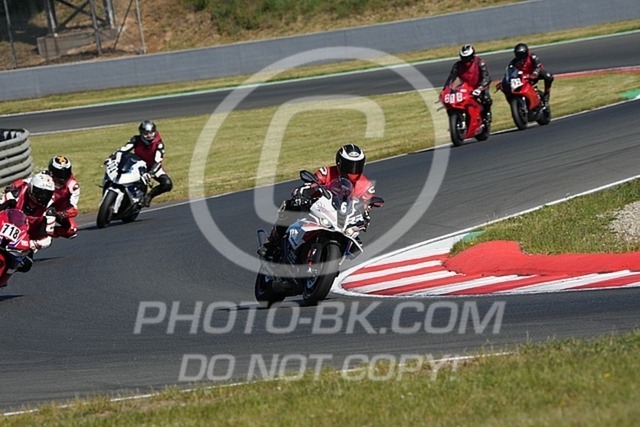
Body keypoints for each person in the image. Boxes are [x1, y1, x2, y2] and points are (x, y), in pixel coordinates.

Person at [258, 144, 376, 259]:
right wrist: (302, 192)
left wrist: (365, 217)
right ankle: (271, 244)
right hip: (319, 207)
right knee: (290, 206)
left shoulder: (367, 186)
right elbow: (311, 184)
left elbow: (365, 208)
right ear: (339, 163)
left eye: (357, 165)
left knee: (356, 245)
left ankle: (330, 260)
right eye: (349, 165)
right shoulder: (327, 172)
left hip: (343, 219)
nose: (353, 170)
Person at [0, 172, 57, 284]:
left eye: (47, 194)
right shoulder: (16, 194)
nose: (43, 197)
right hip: (3, 228)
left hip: (26, 239)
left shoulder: (49, 210)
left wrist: (33, 244)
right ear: (32, 189)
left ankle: (3, 279)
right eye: (40, 193)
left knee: (26, 264)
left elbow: (48, 238)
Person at [109, 120, 173, 207]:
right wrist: (114, 156)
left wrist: (150, 173)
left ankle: (148, 196)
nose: (149, 136)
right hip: (137, 164)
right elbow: (124, 149)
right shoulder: (136, 139)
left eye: (151, 133)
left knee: (167, 184)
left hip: (152, 166)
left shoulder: (159, 144)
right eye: (146, 133)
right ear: (141, 133)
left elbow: (158, 161)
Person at [443, 44, 493, 123]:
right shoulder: (457, 65)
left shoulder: (480, 62)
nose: (466, 61)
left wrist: (479, 88)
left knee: (486, 98)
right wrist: (446, 89)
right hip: (465, 87)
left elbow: (486, 78)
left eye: (468, 58)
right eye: (464, 58)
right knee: (453, 102)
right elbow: (451, 78)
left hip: (479, 86)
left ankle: (487, 113)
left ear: (472, 56)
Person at [46, 156, 80, 239]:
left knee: (72, 230)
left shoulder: (73, 185)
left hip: (58, 211)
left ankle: (46, 234)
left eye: (66, 172)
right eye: (59, 173)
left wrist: (63, 214)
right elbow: (28, 183)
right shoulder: (45, 177)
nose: (63, 176)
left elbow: (73, 208)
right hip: (41, 206)